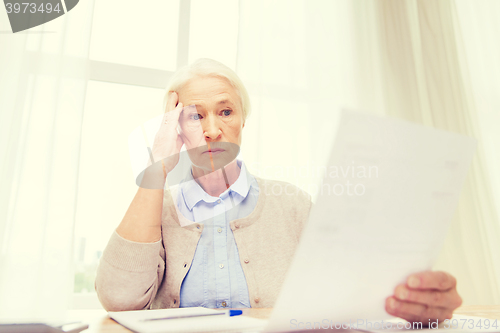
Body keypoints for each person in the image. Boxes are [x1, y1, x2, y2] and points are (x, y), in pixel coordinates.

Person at [95, 58, 462, 323]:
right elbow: (118, 300)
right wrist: (157, 169)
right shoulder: (156, 211)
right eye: (195, 115)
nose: (211, 130)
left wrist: (417, 305)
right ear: (173, 129)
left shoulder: (293, 206)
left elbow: (356, 295)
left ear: (242, 121)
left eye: (225, 112)